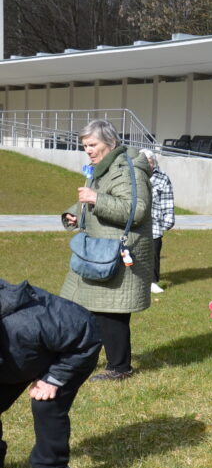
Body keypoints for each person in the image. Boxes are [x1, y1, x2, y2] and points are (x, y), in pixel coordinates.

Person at [60, 119, 152, 382]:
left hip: (115, 253)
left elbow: (135, 211)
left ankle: (119, 367)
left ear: (110, 143)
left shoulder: (128, 170)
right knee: (84, 307)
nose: (88, 150)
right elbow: (90, 199)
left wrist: (95, 200)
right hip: (98, 250)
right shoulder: (102, 168)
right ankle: (82, 358)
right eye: (85, 146)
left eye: (92, 144)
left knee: (111, 312)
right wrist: (74, 213)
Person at [1, 279, 101, 468]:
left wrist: (54, 378)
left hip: (69, 352)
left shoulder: (31, 319)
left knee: (45, 405)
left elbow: (86, 337)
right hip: (19, 356)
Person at [140, 148, 174, 294]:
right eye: (144, 162)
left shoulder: (162, 178)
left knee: (154, 251)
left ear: (154, 162)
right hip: (136, 221)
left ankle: (152, 282)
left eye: (150, 162)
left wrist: (168, 220)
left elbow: (167, 200)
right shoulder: (133, 175)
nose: (148, 165)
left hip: (154, 223)